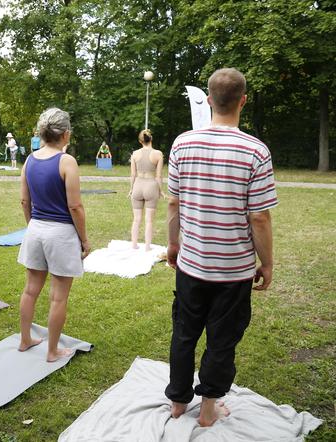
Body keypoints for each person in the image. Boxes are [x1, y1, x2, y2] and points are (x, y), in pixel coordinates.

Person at [165, 68, 277, 427]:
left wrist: (172, 244)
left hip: (192, 263)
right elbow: (259, 217)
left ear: (209, 100)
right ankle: (209, 407)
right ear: (243, 100)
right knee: (222, 340)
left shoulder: (182, 143)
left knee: (184, 333)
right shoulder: (256, 151)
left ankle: (179, 402)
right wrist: (268, 263)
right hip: (234, 270)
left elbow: (173, 204)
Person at [17, 108, 90, 362]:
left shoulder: (29, 160)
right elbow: (75, 206)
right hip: (60, 233)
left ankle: (25, 339)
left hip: (36, 228)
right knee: (58, 297)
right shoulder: (66, 161)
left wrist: (32, 225)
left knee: (30, 290)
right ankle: (52, 350)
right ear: (66, 134)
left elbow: (24, 200)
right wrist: (84, 239)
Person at [129, 130, 164, 251]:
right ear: (151, 139)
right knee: (149, 220)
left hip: (137, 185)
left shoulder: (134, 154)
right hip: (151, 186)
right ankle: (147, 247)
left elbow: (133, 175)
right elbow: (159, 176)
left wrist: (131, 189)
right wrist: (161, 190)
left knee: (136, 219)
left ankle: (134, 244)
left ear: (140, 141)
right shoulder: (158, 154)